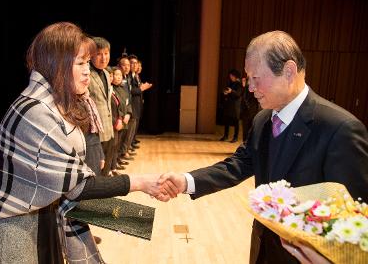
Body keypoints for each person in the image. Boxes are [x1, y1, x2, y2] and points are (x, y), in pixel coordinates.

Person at [158, 30, 368, 264]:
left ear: (288, 71)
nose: (250, 88)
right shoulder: (262, 120)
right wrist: (186, 181)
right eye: (248, 79)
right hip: (262, 251)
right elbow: (238, 165)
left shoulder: (340, 129)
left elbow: (355, 221)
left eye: (256, 79)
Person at [0, 22, 165, 264]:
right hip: (9, 233)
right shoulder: (36, 111)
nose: (86, 70)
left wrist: (133, 219)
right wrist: (144, 183)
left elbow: (62, 193)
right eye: (80, 63)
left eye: (87, 62)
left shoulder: (52, 104)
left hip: (40, 221)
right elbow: (77, 188)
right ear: (56, 65)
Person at [88, 37, 115, 177]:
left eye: (106, 53)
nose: (104, 58)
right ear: (91, 55)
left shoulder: (105, 72)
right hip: (94, 134)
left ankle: (103, 198)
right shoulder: (86, 74)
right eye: (99, 54)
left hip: (108, 130)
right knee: (94, 173)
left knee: (105, 171)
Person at [219, 68, 243, 143]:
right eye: (230, 76)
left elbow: (238, 94)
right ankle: (225, 136)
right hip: (228, 105)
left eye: (232, 76)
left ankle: (235, 137)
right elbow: (227, 91)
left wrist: (231, 91)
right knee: (226, 121)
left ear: (235, 76)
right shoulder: (230, 83)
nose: (230, 77)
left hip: (235, 106)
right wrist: (225, 93)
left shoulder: (239, 84)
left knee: (236, 122)